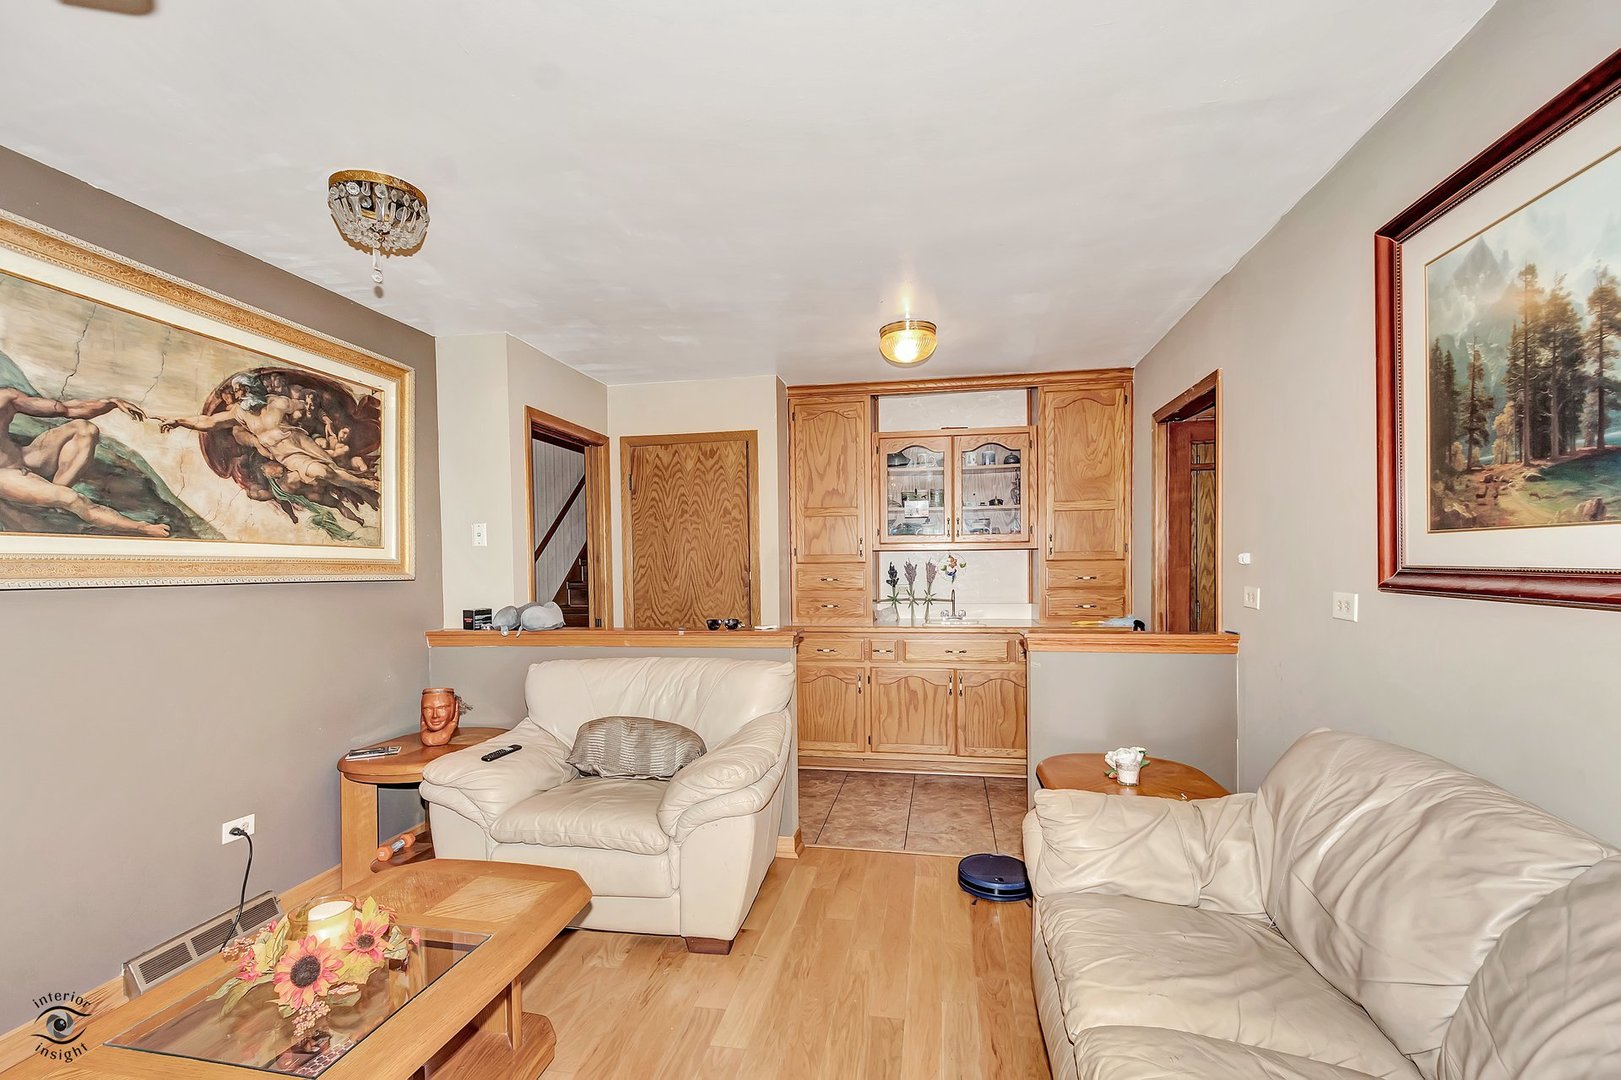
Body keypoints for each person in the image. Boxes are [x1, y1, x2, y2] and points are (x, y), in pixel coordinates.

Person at [159, 372, 379, 498]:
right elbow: (207, 422)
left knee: (334, 466)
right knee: (323, 473)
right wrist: (178, 421)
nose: (237, 395)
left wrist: (326, 420)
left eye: (240, 390)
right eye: (237, 392)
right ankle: (364, 485)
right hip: (285, 455)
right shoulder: (239, 413)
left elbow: (309, 406)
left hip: (300, 440)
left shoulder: (278, 402)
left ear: (251, 388)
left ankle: (362, 482)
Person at [0, 387, 171, 536]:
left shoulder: (6, 397)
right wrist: (143, 527)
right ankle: (142, 528)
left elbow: (65, 409)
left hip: (25, 457)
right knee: (73, 500)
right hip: (6, 476)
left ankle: (57, 490)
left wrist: (110, 403)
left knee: (84, 428)